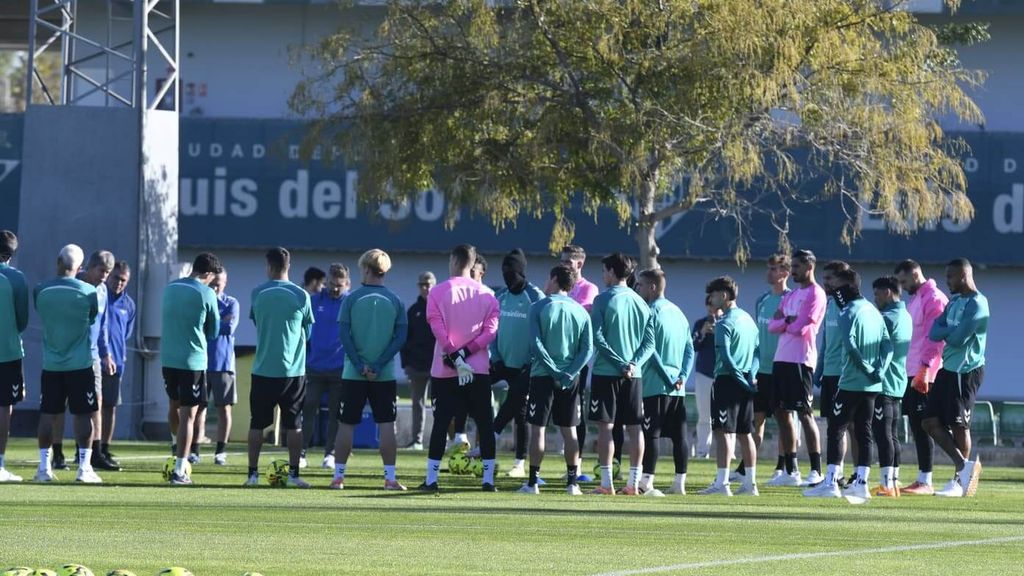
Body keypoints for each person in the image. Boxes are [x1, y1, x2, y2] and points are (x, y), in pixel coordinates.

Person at [418, 244, 500, 492]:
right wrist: (466, 353)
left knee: (441, 423)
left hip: (445, 371)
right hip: (478, 370)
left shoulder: (438, 292)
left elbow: (437, 327)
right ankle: (488, 480)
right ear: (473, 263)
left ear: (454, 261)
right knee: (484, 423)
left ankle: (432, 480)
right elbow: (491, 332)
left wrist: (455, 354)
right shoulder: (488, 295)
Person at [804, 268, 892, 500]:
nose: (832, 291)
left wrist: (865, 368)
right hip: (872, 386)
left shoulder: (847, 312)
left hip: (851, 382)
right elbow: (887, 345)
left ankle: (831, 481)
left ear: (846, 288)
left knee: (836, 429)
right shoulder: (873, 311)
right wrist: (878, 371)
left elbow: (851, 346)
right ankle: (861, 483)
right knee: (864, 432)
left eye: (836, 287)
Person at [329, 249, 408, 491]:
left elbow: (344, 335)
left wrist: (359, 364)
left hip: (354, 374)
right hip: (383, 375)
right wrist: (378, 365)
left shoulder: (351, 299)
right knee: (386, 425)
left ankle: (339, 478)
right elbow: (400, 337)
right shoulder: (395, 300)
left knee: (346, 424)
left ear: (365, 269)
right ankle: (390, 479)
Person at [518, 265, 593, 495]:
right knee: (569, 430)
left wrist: (552, 369)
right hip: (570, 379)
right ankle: (572, 483)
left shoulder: (538, 307)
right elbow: (587, 348)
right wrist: (569, 372)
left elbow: (535, 344)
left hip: (543, 376)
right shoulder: (580, 311)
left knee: (538, 429)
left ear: (554, 280)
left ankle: (533, 483)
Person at [245, 248, 314, 488]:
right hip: (293, 372)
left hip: (263, 368)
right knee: (294, 425)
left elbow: (257, 322)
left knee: (257, 423)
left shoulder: (257, 293)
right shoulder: (301, 295)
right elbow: (308, 331)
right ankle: (294, 475)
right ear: (288, 266)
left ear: (269, 266)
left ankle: (252, 475)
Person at [33, 245, 102, 483]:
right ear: (80, 267)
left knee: (48, 414)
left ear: (58, 262)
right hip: (80, 364)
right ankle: (84, 468)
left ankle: (44, 468)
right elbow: (92, 317)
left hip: (51, 364)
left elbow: (41, 312)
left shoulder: (41, 290)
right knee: (83, 415)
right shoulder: (88, 291)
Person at [588, 252, 654, 496]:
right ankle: (633, 485)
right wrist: (633, 363)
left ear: (613, 272)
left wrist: (618, 363)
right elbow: (650, 344)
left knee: (605, 428)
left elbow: (597, 337)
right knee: (635, 428)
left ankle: (607, 484)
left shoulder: (603, 299)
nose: (603, 275)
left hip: (607, 372)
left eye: (605, 271)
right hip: (633, 375)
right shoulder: (641, 303)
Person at [924, 258, 989, 498]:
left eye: (950, 276)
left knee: (958, 424)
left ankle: (959, 481)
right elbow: (933, 332)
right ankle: (964, 466)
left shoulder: (978, 304)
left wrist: (948, 332)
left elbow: (957, 339)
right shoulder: (954, 303)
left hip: (966, 371)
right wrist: (951, 331)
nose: (946, 281)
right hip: (948, 368)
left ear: (963, 275)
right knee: (929, 421)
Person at [161, 252, 222, 485]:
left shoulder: (170, 287)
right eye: (212, 279)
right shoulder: (207, 293)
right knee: (189, 414)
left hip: (168, 359)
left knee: (173, 406)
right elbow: (214, 331)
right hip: (192, 361)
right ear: (207, 273)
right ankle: (180, 469)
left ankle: (177, 445)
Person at [768, 249, 827, 486]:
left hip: (801, 361)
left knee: (804, 414)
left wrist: (787, 322)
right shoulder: (790, 296)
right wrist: (786, 321)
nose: (793, 271)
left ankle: (816, 469)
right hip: (781, 359)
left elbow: (801, 327)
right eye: (792, 267)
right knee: (781, 413)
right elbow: (773, 325)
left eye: (797, 267)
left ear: (809, 267)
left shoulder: (816, 294)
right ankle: (791, 470)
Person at [634, 269, 695, 496]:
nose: (637, 289)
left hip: (655, 385)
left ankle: (647, 481)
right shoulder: (678, 313)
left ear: (652, 287)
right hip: (677, 389)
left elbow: (650, 351)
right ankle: (679, 483)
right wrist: (682, 376)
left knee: (652, 435)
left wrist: (668, 378)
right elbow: (690, 350)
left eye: (640, 285)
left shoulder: (649, 312)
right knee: (680, 436)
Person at [697, 276, 759, 496]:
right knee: (745, 433)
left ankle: (721, 484)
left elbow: (726, 356)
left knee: (722, 432)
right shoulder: (749, 320)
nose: (711, 299)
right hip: (745, 381)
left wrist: (740, 379)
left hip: (726, 381)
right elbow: (757, 353)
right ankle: (750, 485)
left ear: (724, 296)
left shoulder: (724, 323)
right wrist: (750, 376)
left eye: (713, 295)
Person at [894, 259, 948, 495]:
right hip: (911, 371)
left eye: (904, 281)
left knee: (926, 425)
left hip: (926, 373)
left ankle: (929, 480)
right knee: (917, 426)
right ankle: (922, 478)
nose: (902, 287)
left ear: (916, 274)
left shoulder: (933, 299)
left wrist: (925, 369)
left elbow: (934, 339)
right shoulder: (915, 300)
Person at [491, 249, 545, 478]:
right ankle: (475, 443)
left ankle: (519, 463)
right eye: (504, 271)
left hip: (526, 366)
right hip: (502, 362)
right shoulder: (500, 296)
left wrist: (531, 362)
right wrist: (496, 357)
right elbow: (492, 330)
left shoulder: (535, 296)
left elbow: (542, 332)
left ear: (521, 271)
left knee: (520, 412)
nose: (507, 276)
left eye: (511, 271)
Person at [737, 254, 790, 484]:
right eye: (768, 268)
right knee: (756, 420)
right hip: (761, 371)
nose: (768, 273)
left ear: (784, 273)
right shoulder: (762, 300)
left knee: (783, 419)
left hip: (782, 369)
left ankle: (783, 467)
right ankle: (745, 469)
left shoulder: (791, 299)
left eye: (773, 269)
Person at [301, 263, 350, 469]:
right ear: (326, 281)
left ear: (346, 284)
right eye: (331, 283)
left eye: (339, 285)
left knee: (334, 413)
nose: (335, 288)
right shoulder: (312, 301)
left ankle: (329, 453)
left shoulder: (349, 303)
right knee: (309, 407)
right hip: (314, 366)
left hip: (339, 368)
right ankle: (301, 452)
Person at [74, 250, 118, 472]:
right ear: (90, 267)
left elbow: (103, 325)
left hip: (92, 355)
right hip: (71, 353)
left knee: (96, 402)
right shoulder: (74, 283)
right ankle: (61, 452)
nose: (104, 276)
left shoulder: (102, 290)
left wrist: (106, 353)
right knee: (67, 406)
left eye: (108, 272)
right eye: (102, 270)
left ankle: (95, 453)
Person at [561, 244, 599, 481]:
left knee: (576, 412)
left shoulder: (588, 289)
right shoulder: (558, 286)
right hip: (555, 359)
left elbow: (576, 318)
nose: (563, 265)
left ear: (579, 264)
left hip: (576, 362)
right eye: (562, 261)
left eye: (567, 262)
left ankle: (577, 467)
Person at [872, 275, 912, 497]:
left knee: (883, 434)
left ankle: (887, 484)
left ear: (888, 292)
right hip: (898, 381)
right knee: (893, 434)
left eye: (877, 294)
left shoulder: (886, 317)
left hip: (884, 382)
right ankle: (893, 482)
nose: (875, 299)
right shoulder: (904, 315)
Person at [813, 260, 851, 485]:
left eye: (829, 279)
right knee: (833, 426)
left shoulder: (850, 306)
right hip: (829, 373)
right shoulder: (830, 304)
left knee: (849, 426)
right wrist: (819, 370)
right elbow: (826, 341)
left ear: (842, 280)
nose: (825, 283)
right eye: (824, 278)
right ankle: (837, 473)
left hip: (845, 375)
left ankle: (853, 474)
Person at [100, 260, 136, 468]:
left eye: (123, 280)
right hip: (95, 360)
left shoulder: (128, 305)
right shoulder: (99, 296)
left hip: (116, 364)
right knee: (91, 408)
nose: (119, 283)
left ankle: (104, 448)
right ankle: (85, 448)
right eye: (116, 278)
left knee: (110, 408)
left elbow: (126, 334)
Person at [203, 269, 239, 466]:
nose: (215, 286)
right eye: (213, 282)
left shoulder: (232, 303)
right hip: (201, 362)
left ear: (225, 282)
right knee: (198, 409)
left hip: (223, 363)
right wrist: (218, 322)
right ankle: (194, 449)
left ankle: (220, 451)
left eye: (219, 283)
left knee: (224, 408)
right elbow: (201, 325)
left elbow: (229, 327)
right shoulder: (203, 301)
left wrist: (211, 324)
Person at [0, 230, 27, 482]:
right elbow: (22, 321)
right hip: (7, 352)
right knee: (3, 408)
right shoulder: (16, 278)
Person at [400, 271, 436, 450]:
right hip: (416, 365)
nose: (425, 288)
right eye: (422, 284)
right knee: (417, 403)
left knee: (440, 404)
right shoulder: (413, 311)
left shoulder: (440, 309)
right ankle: (417, 440)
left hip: (437, 365)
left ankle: (441, 439)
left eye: (428, 284)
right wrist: (405, 363)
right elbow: (405, 339)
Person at [691, 296, 721, 459]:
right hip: (704, 373)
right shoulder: (700, 323)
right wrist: (702, 332)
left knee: (723, 416)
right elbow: (694, 345)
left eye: (715, 305)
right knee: (704, 416)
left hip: (722, 374)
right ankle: (703, 450)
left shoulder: (726, 323)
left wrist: (718, 332)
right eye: (709, 305)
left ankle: (727, 452)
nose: (712, 309)